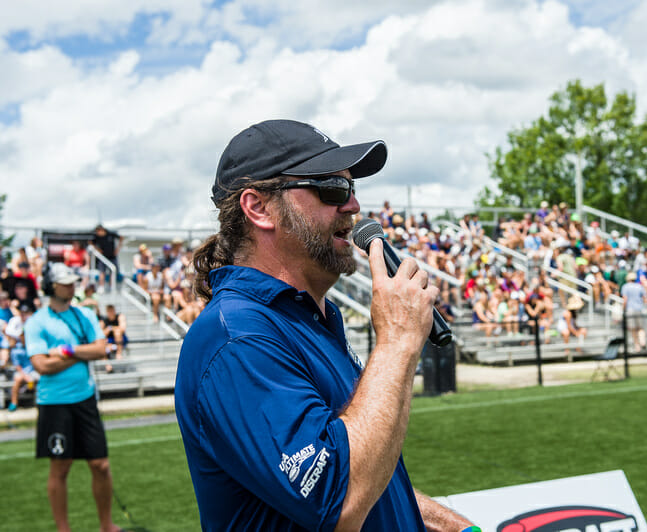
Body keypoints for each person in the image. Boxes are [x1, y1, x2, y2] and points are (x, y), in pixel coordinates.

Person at [175, 119, 476, 531]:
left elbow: (362, 465)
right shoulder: (237, 338)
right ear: (258, 207)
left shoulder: (308, 319)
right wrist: (397, 342)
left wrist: (456, 526)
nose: (352, 206)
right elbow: (341, 499)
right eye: (331, 189)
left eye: (351, 190)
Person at [24, 262, 122, 532]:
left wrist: (65, 351)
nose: (71, 286)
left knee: (100, 465)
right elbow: (42, 366)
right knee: (61, 467)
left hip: (85, 398)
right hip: (54, 403)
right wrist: (82, 353)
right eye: (64, 282)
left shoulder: (85, 315)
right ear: (49, 286)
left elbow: (102, 349)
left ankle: (107, 525)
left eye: (71, 281)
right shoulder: (36, 322)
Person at [4, 303, 38, 411]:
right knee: (18, 379)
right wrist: (25, 376)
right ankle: (14, 403)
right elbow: (17, 365)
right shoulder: (17, 350)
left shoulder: (33, 346)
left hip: (34, 371)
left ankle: (40, 403)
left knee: (40, 379)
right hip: (23, 373)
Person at [91, 224, 123, 293]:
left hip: (112, 257)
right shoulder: (96, 237)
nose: (97, 233)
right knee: (102, 272)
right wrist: (97, 249)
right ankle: (101, 286)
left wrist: (117, 249)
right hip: (103, 258)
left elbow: (121, 238)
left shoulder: (111, 234)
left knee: (113, 271)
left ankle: (112, 287)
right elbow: (91, 242)